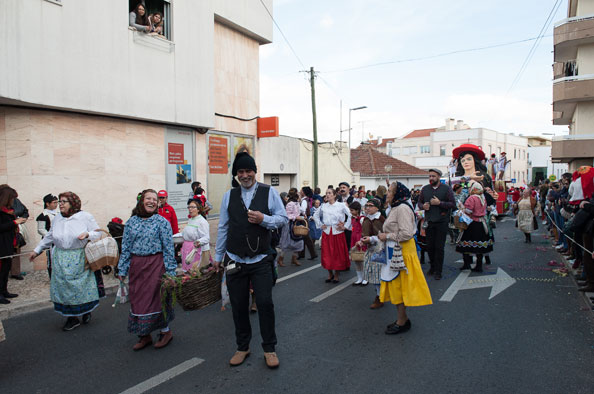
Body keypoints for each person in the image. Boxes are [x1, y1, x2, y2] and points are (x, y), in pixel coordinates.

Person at [213, 152, 288, 369]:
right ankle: (242, 346)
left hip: (261, 258)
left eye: (248, 171)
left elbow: (283, 219)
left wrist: (264, 219)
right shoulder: (229, 196)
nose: (245, 175)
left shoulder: (269, 192)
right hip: (235, 259)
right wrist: (218, 257)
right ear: (236, 174)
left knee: (264, 303)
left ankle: (269, 348)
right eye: (241, 172)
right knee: (238, 305)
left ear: (255, 171)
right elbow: (224, 228)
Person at [362, 182, 432, 335]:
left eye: (390, 191)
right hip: (395, 250)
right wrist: (376, 238)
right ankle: (402, 319)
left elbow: (407, 233)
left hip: (402, 253)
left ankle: (402, 321)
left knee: (399, 288)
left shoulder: (402, 208)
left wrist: (386, 235)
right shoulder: (396, 207)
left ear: (397, 194)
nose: (387, 193)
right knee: (396, 287)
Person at [29, 192, 101, 331]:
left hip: (79, 257)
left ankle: (85, 310)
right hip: (60, 258)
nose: (60, 204)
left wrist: (88, 234)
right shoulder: (57, 219)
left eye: (64, 201)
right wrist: (37, 250)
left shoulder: (85, 217)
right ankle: (72, 318)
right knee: (64, 288)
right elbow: (49, 237)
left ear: (73, 203)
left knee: (80, 287)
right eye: (59, 201)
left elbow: (98, 232)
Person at [117, 189, 176, 350]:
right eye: (148, 198)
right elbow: (126, 247)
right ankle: (144, 335)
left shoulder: (162, 222)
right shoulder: (131, 222)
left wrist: (170, 272)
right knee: (138, 300)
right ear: (141, 201)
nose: (151, 201)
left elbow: (168, 248)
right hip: (137, 266)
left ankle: (165, 332)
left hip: (156, 265)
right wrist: (122, 270)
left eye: (155, 199)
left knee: (157, 299)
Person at [416, 168, 456, 280]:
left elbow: (453, 204)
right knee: (430, 246)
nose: (431, 178)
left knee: (439, 247)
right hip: (429, 221)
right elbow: (419, 202)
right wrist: (422, 206)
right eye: (429, 176)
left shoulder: (446, 189)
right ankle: (432, 266)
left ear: (438, 177)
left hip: (441, 222)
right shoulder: (425, 189)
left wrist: (440, 203)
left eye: (433, 176)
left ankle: (438, 270)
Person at [313, 188, 351, 283]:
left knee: (337, 254)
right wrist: (321, 225)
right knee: (327, 254)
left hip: (337, 232)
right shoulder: (323, 206)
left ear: (334, 195)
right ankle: (330, 273)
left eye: (329, 193)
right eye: (326, 193)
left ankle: (337, 274)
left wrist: (345, 226)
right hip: (327, 232)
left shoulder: (341, 205)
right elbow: (315, 216)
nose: (327, 195)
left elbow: (351, 215)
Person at [457, 182, 493, 272]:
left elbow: (469, 211)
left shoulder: (472, 198)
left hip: (472, 223)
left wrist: (462, 207)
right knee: (479, 245)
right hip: (481, 222)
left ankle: (467, 264)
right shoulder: (482, 198)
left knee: (465, 243)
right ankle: (479, 265)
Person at [0, 186, 27, 304]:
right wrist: (14, 222)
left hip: (8, 244)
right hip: (1, 244)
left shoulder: (7, 210)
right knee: (1, 270)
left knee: (6, 269)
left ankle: (4, 290)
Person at [358, 198, 385, 308]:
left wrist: (371, 239)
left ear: (377, 207)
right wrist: (361, 241)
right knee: (373, 275)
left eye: (370, 205)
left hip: (380, 251)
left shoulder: (381, 219)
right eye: (366, 205)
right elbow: (364, 234)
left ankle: (380, 297)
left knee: (379, 276)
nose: (367, 208)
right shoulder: (365, 219)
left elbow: (384, 236)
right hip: (370, 250)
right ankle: (379, 295)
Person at [180, 197, 210, 272]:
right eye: (189, 207)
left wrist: (199, 242)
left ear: (198, 209)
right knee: (187, 272)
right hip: (187, 250)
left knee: (194, 272)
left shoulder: (202, 221)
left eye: (193, 207)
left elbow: (206, 237)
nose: (190, 209)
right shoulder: (191, 220)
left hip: (196, 251)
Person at [278, 188, 304, 267]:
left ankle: (294, 258)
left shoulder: (297, 203)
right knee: (286, 242)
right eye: (298, 193)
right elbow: (287, 215)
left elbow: (299, 211)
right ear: (295, 194)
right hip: (289, 225)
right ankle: (280, 259)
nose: (299, 194)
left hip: (296, 224)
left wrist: (303, 214)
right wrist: (296, 217)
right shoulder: (290, 204)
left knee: (299, 242)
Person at [36, 194, 58, 278]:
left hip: (59, 240)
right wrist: (51, 237)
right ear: (47, 203)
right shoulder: (43, 215)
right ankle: (52, 277)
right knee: (51, 259)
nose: (56, 204)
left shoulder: (59, 214)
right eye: (54, 202)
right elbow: (41, 230)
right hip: (50, 241)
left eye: (57, 202)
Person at [297, 186, 317, 260]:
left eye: (301, 190)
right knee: (303, 238)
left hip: (303, 219)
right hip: (303, 219)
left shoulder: (304, 200)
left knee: (306, 238)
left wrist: (297, 207)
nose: (300, 191)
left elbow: (303, 209)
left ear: (303, 192)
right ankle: (303, 254)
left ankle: (313, 254)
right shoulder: (304, 200)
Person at [349, 201, 365, 285]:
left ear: (357, 210)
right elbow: (350, 227)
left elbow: (364, 230)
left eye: (352, 210)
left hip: (360, 239)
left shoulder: (362, 219)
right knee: (356, 259)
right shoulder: (352, 218)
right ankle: (359, 278)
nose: (350, 212)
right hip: (354, 239)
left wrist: (362, 240)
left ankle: (365, 277)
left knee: (362, 259)